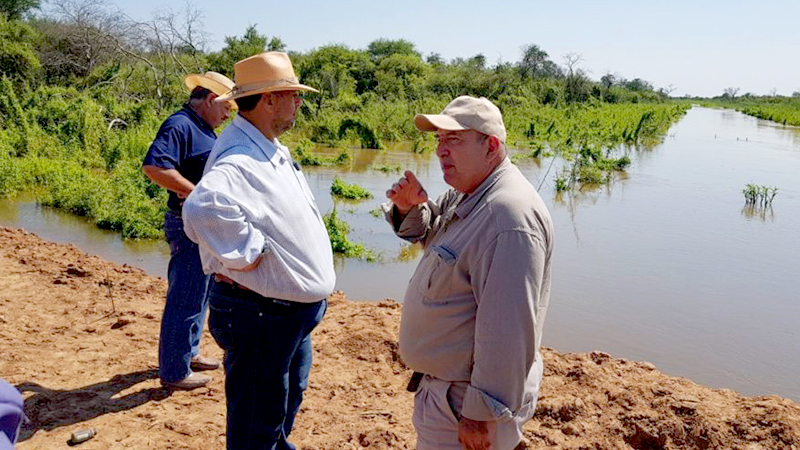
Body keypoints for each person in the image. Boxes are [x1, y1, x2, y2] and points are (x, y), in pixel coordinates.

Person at [182, 52, 335, 449]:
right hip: (261, 314)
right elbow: (200, 206)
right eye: (293, 95)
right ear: (268, 100)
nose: (298, 102)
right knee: (257, 424)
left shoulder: (266, 145)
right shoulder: (239, 158)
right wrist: (250, 251)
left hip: (284, 314)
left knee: (282, 404)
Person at [383, 96, 554, 450]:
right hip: (450, 394)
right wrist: (408, 208)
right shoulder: (469, 194)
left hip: (466, 402)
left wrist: (480, 412)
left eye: (454, 139)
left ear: (490, 145)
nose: (440, 151)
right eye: (439, 140)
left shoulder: (508, 216)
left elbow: (508, 329)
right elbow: (432, 234)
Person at [142, 71, 235, 390]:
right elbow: (155, 166)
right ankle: (174, 371)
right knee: (185, 296)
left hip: (202, 225)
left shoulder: (201, 127)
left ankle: (189, 353)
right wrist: (195, 194)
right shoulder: (180, 124)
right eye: (226, 107)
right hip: (187, 224)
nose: (227, 114)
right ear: (211, 99)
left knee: (200, 293)